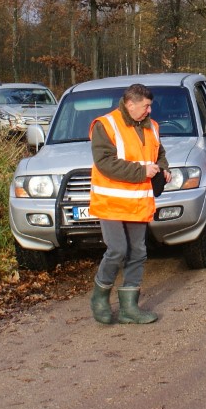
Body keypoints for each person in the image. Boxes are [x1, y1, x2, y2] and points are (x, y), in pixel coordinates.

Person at [88, 83, 170, 324]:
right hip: (111, 202)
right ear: (130, 104)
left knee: (138, 253)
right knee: (117, 250)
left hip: (138, 202)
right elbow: (105, 163)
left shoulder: (152, 127)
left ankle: (129, 309)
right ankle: (99, 298)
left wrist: (163, 169)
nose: (150, 110)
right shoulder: (106, 125)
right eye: (146, 106)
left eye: (150, 106)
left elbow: (159, 154)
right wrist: (142, 171)